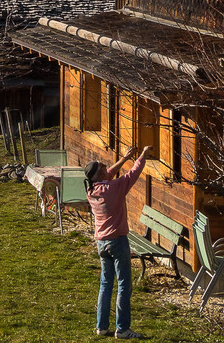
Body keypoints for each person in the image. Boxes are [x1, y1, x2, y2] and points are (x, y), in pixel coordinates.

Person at [85, 144, 150, 339]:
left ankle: (101, 327)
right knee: (124, 284)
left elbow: (109, 174)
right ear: (100, 173)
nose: (107, 169)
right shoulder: (114, 188)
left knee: (105, 284)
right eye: (103, 167)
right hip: (118, 242)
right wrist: (144, 155)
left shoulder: (92, 190)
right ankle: (122, 329)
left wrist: (123, 158)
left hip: (101, 243)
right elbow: (132, 174)